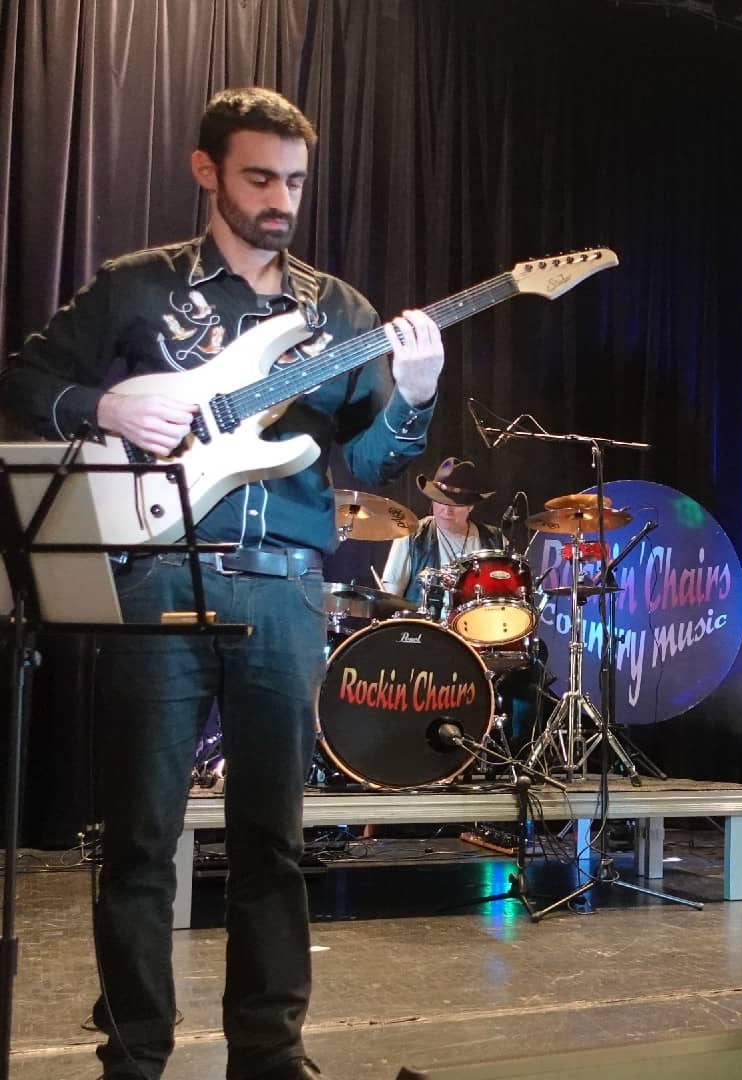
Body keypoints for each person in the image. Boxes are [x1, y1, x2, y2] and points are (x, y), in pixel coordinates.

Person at [0, 87, 442, 1080]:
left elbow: (370, 469)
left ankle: (270, 1054)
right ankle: (134, 1052)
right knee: (140, 843)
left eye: (293, 180)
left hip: (283, 589)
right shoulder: (136, 287)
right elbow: (26, 379)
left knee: (271, 844)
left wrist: (412, 396)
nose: (280, 199)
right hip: (152, 580)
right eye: (258, 177)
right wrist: (104, 402)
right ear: (208, 172)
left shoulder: (339, 314)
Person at [380, 456, 502, 606]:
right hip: (424, 628)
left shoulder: (495, 540)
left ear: (471, 506)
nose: (446, 511)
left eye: (455, 505)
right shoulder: (412, 536)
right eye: (440, 502)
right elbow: (390, 601)